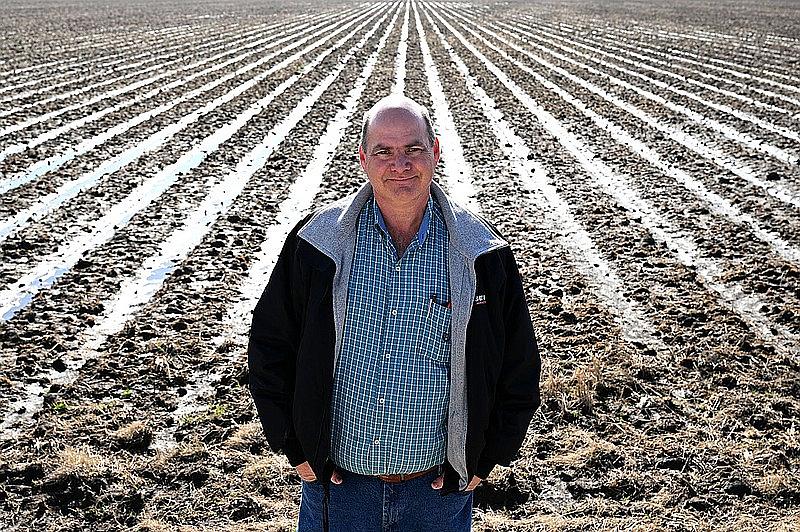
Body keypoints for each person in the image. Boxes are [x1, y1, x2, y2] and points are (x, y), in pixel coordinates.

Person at [248, 95, 540, 531]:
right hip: (338, 489)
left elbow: (518, 361)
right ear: (363, 159)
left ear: (436, 152)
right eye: (383, 151)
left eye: (413, 149)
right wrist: (296, 449)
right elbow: (271, 344)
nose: (399, 163)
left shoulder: (480, 251)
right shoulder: (318, 242)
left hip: (437, 494)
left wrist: (487, 456)